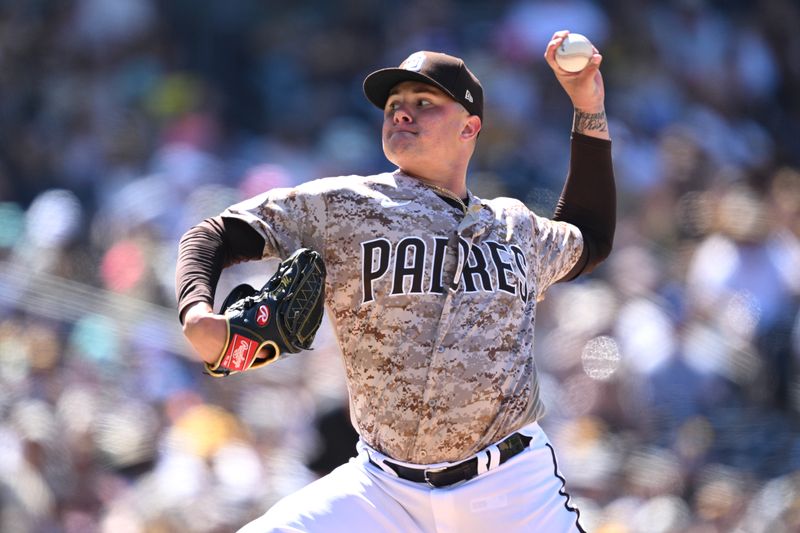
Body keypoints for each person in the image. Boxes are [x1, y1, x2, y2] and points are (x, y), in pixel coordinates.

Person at [175, 30, 615, 533]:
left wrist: (587, 104)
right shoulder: (344, 205)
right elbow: (216, 233)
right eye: (394, 105)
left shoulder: (515, 226)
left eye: (424, 102)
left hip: (509, 490)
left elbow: (591, 237)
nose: (401, 112)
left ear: (470, 127)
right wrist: (197, 313)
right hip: (382, 491)